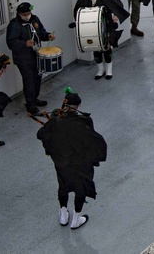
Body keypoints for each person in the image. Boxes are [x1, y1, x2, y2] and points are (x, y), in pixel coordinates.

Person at [36, 88, 108, 230]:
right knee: (80, 189)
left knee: (63, 186)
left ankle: (63, 215)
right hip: (81, 163)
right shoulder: (84, 121)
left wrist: (53, 123)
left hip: (62, 163)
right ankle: (76, 219)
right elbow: (92, 141)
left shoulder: (55, 122)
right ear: (77, 107)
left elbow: (40, 135)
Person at [73, 0, 130, 80]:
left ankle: (109, 69)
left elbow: (117, 5)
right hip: (92, 26)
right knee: (96, 47)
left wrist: (116, 16)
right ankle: (100, 69)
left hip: (106, 23)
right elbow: (78, 10)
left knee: (107, 47)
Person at [5, 2, 54, 115]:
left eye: (29, 13)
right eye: (25, 14)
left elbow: (40, 32)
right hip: (23, 58)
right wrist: (24, 44)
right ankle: (30, 104)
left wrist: (47, 36)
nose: (27, 15)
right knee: (29, 80)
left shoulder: (34, 19)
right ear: (19, 13)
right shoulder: (14, 25)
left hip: (36, 54)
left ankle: (35, 98)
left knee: (37, 77)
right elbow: (11, 43)